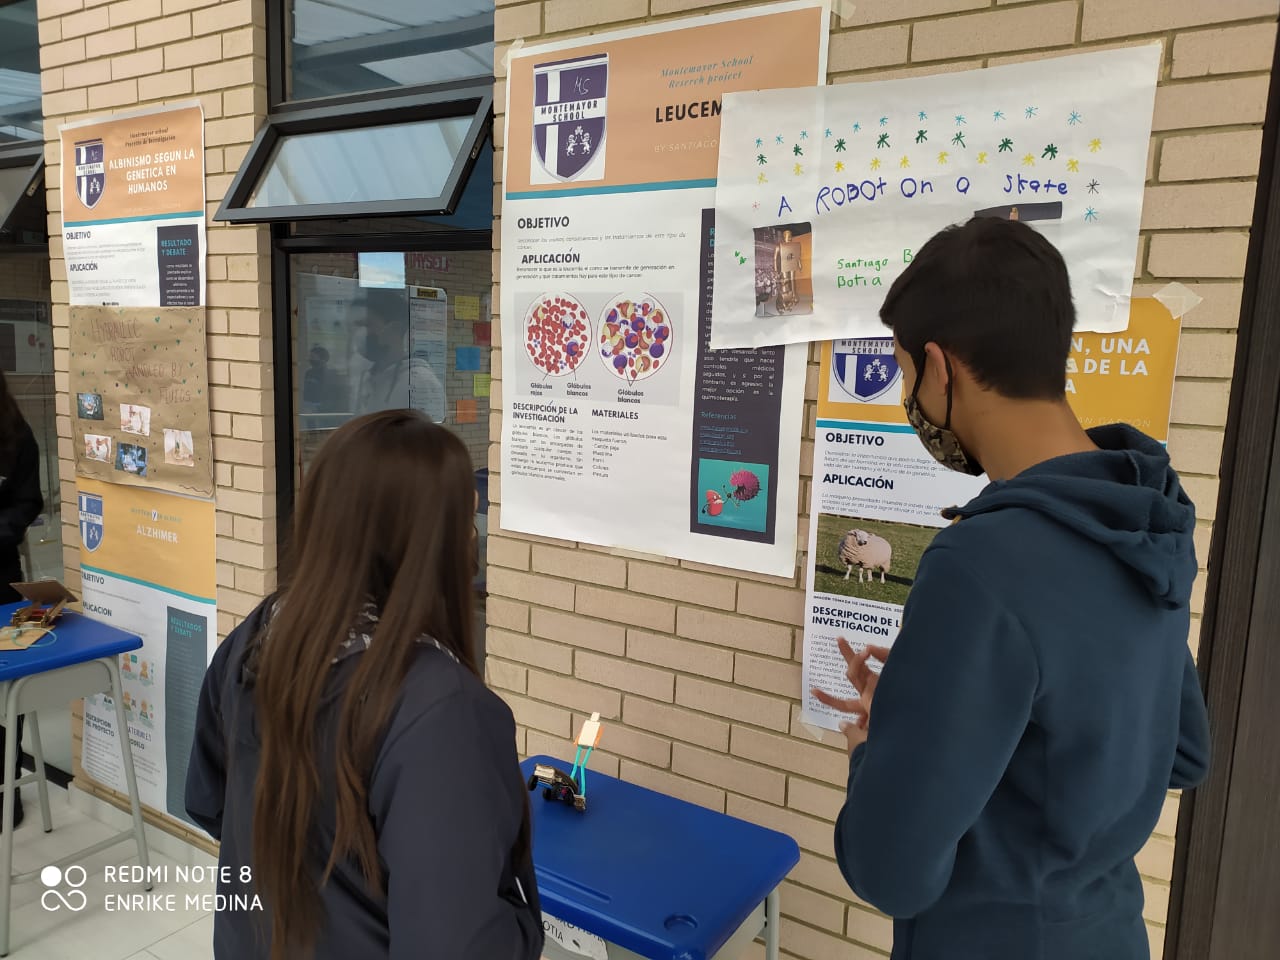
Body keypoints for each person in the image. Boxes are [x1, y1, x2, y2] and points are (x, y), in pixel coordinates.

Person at [814, 217, 1211, 960]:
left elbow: (890, 870)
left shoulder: (981, 562)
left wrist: (876, 745)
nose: (911, 397)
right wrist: (951, 711)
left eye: (905, 374)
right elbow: (1184, 752)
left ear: (941, 369)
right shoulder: (1142, 515)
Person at [185, 410, 542, 960]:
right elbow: (455, 943)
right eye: (464, 521)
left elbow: (209, 801)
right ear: (424, 544)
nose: (473, 539)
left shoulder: (262, 633)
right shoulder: (440, 710)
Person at [0, 372, 42, 829]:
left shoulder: (16, 435)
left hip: (0, 579)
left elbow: (28, 503)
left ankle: (6, 793)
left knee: (8, 693)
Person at [351, 289, 446, 421]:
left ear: (395, 328)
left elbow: (427, 432)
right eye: (354, 326)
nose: (358, 333)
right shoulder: (370, 378)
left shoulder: (420, 383)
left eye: (366, 324)